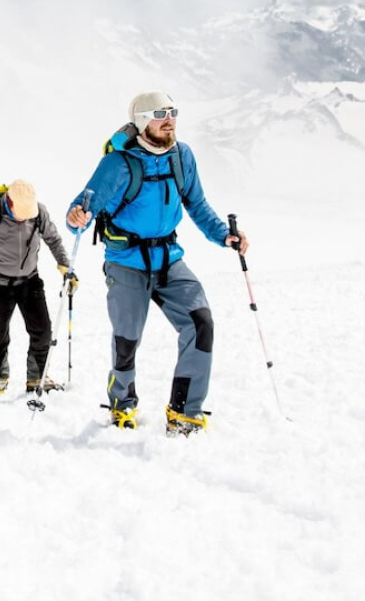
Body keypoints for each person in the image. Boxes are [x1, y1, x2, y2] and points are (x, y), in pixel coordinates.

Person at [65, 91, 248, 434]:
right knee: (127, 340)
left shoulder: (182, 156)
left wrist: (224, 235)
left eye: (173, 112)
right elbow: (83, 207)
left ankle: (185, 411)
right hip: (126, 262)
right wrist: (76, 217)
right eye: (160, 114)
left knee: (200, 323)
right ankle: (122, 404)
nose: (170, 120)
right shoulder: (118, 164)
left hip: (169, 259)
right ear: (142, 121)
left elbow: (197, 204)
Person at [0, 180, 72, 398]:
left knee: (43, 330)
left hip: (29, 279)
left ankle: (37, 376)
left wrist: (65, 266)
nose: (25, 218)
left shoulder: (39, 212)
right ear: (10, 202)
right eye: (21, 214)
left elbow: (53, 240)